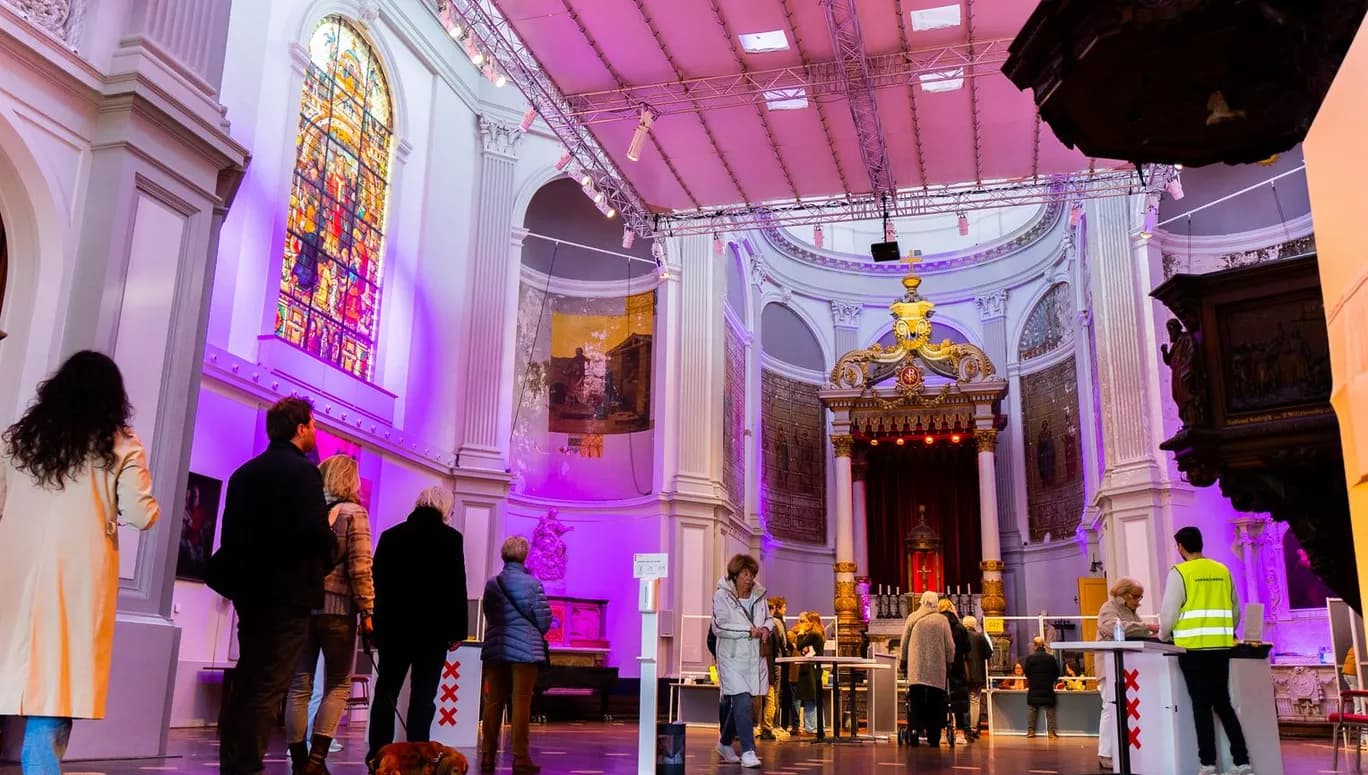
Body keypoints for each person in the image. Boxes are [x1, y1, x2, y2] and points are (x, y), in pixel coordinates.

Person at [0, 351, 161, 775]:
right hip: (76, 582)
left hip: (12, 576)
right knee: (54, 693)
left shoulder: (17, 441)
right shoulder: (120, 444)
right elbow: (142, 514)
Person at [216, 397, 335, 775]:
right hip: (288, 595)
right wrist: (330, 552)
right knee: (269, 686)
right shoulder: (304, 473)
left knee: (247, 681)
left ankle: (232, 764)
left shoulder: (244, 474)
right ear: (300, 429)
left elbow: (230, 537)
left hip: (250, 593)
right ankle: (247, 767)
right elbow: (315, 534)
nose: (315, 431)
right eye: (313, 425)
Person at [283, 454, 375, 774]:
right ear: (351, 480)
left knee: (299, 685)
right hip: (339, 610)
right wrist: (367, 611)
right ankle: (316, 762)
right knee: (338, 684)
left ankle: (298, 761)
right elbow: (360, 567)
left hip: (302, 606)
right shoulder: (354, 513)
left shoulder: (308, 512)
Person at [368, 486, 469, 768]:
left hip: (394, 630)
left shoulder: (391, 536)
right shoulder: (451, 539)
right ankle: (418, 758)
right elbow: (456, 587)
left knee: (386, 693)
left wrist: (373, 626)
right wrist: (458, 631)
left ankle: (378, 755)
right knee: (424, 697)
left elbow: (377, 585)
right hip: (433, 632)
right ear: (444, 508)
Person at [1159, 526, 1254, 775]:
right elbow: (1235, 610)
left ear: (1180, 547)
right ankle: (1242, 762)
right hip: (1220, 647)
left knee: (1201, 706)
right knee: (1223, 703)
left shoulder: (1179, 572)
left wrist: (1163, 635)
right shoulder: (1222, 570)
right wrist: (1225, 632)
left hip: (1192, 649)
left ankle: (1208, 764)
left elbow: (1169, 613)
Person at [479, 535, 552, 775]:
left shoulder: (492, 584)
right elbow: (544, 620)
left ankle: (487, 755)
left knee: (493, 702)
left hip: (496, 646)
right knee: (521, 701)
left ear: (503, 555)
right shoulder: (533, 584)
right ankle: (521, 757)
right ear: (524, 556)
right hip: (525, 650)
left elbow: (489, 612)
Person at [711, 553, 772, 768]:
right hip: (731, 658)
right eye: (745, 574)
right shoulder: (721, 596)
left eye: (752, 574)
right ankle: (748, 751)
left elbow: (769, 619)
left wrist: (766, 628)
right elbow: (719, 626)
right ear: (735, 575)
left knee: (744, 704)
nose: (749, 578)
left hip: (753, 658)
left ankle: (724, 743)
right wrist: (748, 630)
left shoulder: (759, 595)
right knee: (743, 701)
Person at [1096, 577, 1159, 770]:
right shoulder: (1109, 608)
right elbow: (1110, 627)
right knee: (1110, 707)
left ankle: (1123, 751)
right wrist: (1146, 628)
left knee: (1123, 709)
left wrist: (1151, 634)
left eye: (1140, 597)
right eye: (1136, 596)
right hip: (1109, 665)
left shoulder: (1131, 611)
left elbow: (1134, 631)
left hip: (1127, 667)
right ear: (1123, 594)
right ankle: (1105, 753)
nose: (1139, 601)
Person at [901, 593, 954, 747]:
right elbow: (949, 645)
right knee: (935, 701)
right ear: (936, 603)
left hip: (916, 670)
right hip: (936, 670)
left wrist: (903, 661)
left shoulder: (912, 617)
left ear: (922, 602)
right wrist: (950, 661)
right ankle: (934, 734)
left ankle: (915, 730)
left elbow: (904, 642)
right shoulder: (942, 620)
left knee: (916, 700)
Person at [939, 600, 973, 742]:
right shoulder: (960, 627)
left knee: (941, 698)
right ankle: (960, 732)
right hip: (957, 665)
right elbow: (967, 647)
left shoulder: (937, 625)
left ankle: (942, 732)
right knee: (958, 699)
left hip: (940, 666)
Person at [759, 596, 791, 740]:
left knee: (760, 698)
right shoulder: (772, 626)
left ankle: (762, 726)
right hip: (769, 665)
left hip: (759, 666)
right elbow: (777, 646)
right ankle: (769, 727)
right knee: (771, 697)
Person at [791, 611, 825, 736]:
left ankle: (811, 728)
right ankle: (819, 726)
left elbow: (800, 645)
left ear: (810, 622)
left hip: (809, 670)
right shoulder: (820, 633)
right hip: (815, 669)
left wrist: (800, 634)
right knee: (815, 699)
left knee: (810, 699)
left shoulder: (813, 634)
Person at [1023, 637, 1060, 738]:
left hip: (1034, 688)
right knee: (1049, 710)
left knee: (1032, 709)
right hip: (1047, 688)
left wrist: (1032, 679)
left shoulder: (1030, 658)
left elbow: (1026, 672)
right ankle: (1051, 732)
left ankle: (1031, 731)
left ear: (1035, 645)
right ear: (1043, 645)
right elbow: (1057, 672)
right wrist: (1050, 680)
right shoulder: (1050, 658)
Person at [963, 616, 993, 737]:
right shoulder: (980, 637)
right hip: (978, 673)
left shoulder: (961, 636)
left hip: (963, 673)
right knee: (974, 700)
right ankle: (973, 728)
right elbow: (988, 653)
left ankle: (962, 727)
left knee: (962, 701)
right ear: (974, 624)